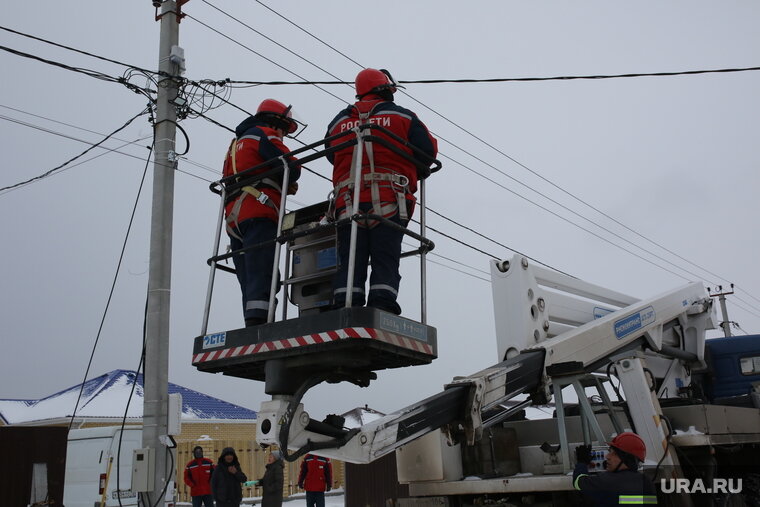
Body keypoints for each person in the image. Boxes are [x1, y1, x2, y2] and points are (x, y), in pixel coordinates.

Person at [325, 68, 438, 315]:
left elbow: (331, 154)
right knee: (385, 256)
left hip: (347, 202)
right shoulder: (403, 117)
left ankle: (345, 304)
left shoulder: (338, 122)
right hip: (389, 199)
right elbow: (428, 151)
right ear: (384, 88)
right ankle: (382, 303)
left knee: (350, 256)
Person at [223, 99, 302, 327]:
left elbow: (245, 173)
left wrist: (278, 181)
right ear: (275, 121)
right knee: (263, 269)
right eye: (285, 129)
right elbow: (293, 168)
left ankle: (252, 320)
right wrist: (285, 179)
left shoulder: (235, 144)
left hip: (233, 217)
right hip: (259, 210)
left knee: (248, 274)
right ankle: (260, 324)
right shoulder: (265, 134)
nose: (284, 134)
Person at [573, 432, 658, 506]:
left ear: (627, 459)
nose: (607, 456)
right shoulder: (646, 482)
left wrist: (582, 462)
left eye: (614, 454)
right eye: (610, 451)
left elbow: (578, 482)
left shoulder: (607, 481)